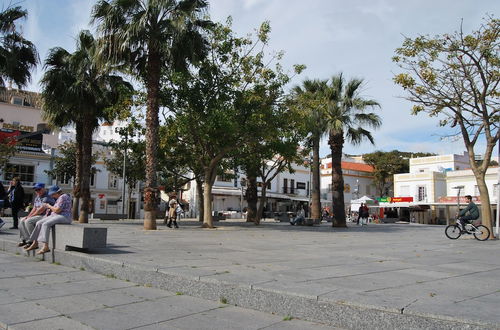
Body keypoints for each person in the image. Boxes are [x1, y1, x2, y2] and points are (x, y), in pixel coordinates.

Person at [25, 185, 72, 255]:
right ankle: (35, 242)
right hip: (57, 215)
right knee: (39, 222)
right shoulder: (60, 198)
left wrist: (48, 206)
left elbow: (57, 210)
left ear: (57, 192)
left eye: (53, 194)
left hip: (64, 216)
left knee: (45, 224)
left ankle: (45, 246)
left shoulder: (63, 197)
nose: (52, 196)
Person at [17, 183, 55, 247]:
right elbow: (34, 208)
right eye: (36, 190)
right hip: (38, 215)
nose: (37, 191)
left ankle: (33, 241)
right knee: (21, 220)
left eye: (39, 189)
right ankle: (25, 240)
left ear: (43, 189)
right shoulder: (37, 197)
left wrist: (30, 217)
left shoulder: (46, 197)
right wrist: (28, 216)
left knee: (28, 221)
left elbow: (40, 210)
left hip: (45, 216)